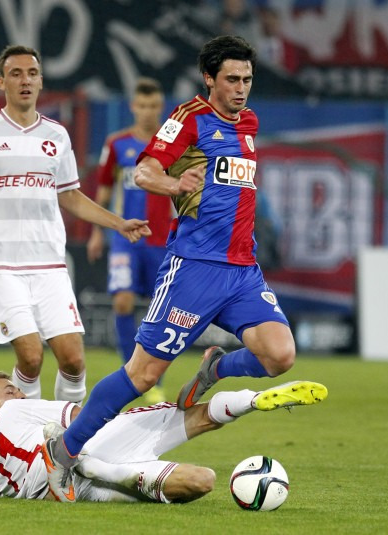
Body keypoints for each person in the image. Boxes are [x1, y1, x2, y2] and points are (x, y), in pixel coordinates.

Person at [43, 36, 298, 499]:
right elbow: (144, 172)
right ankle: (63, 451)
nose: (241, 88)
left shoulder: (249, 122)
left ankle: (216, 367)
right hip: (193, 269)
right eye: (232, 79)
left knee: (279, 355)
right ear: (209, 78)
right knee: (142, 374)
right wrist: (174, 184)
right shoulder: (188, 119)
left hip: (243, 271)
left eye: (247, 79)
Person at [0, 45, 151, 403]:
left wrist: (119, 223)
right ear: (1, 82)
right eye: (16, 74)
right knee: (31, 358)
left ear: (41, 81)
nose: (25, 81)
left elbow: (70, 196)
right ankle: (30, 430)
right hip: (1, 263)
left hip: (49, 262)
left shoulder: (56, 135)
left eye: (32, 73)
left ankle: (66, 432)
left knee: (74, 360)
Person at [0, 371, 328, 502]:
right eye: (10, 390)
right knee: (194, 416)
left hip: (78, 493)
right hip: (86, 447)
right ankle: (252, 399)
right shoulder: (14, 411)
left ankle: (97, 470)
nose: (20, 394)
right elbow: (82, 417)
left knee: (203, 481)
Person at [86, 78, 173, 404]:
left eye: (154, 106)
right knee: (122, 301)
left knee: (159, 310)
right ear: (134, 106)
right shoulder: (118, 144)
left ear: (161, 107)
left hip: (163, 239)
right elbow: (105, 189)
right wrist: (98, 232)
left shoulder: (175, 145)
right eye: (143, 105)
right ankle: (131, 372)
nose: (148, 111)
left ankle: (155, 379)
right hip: (125, 238)